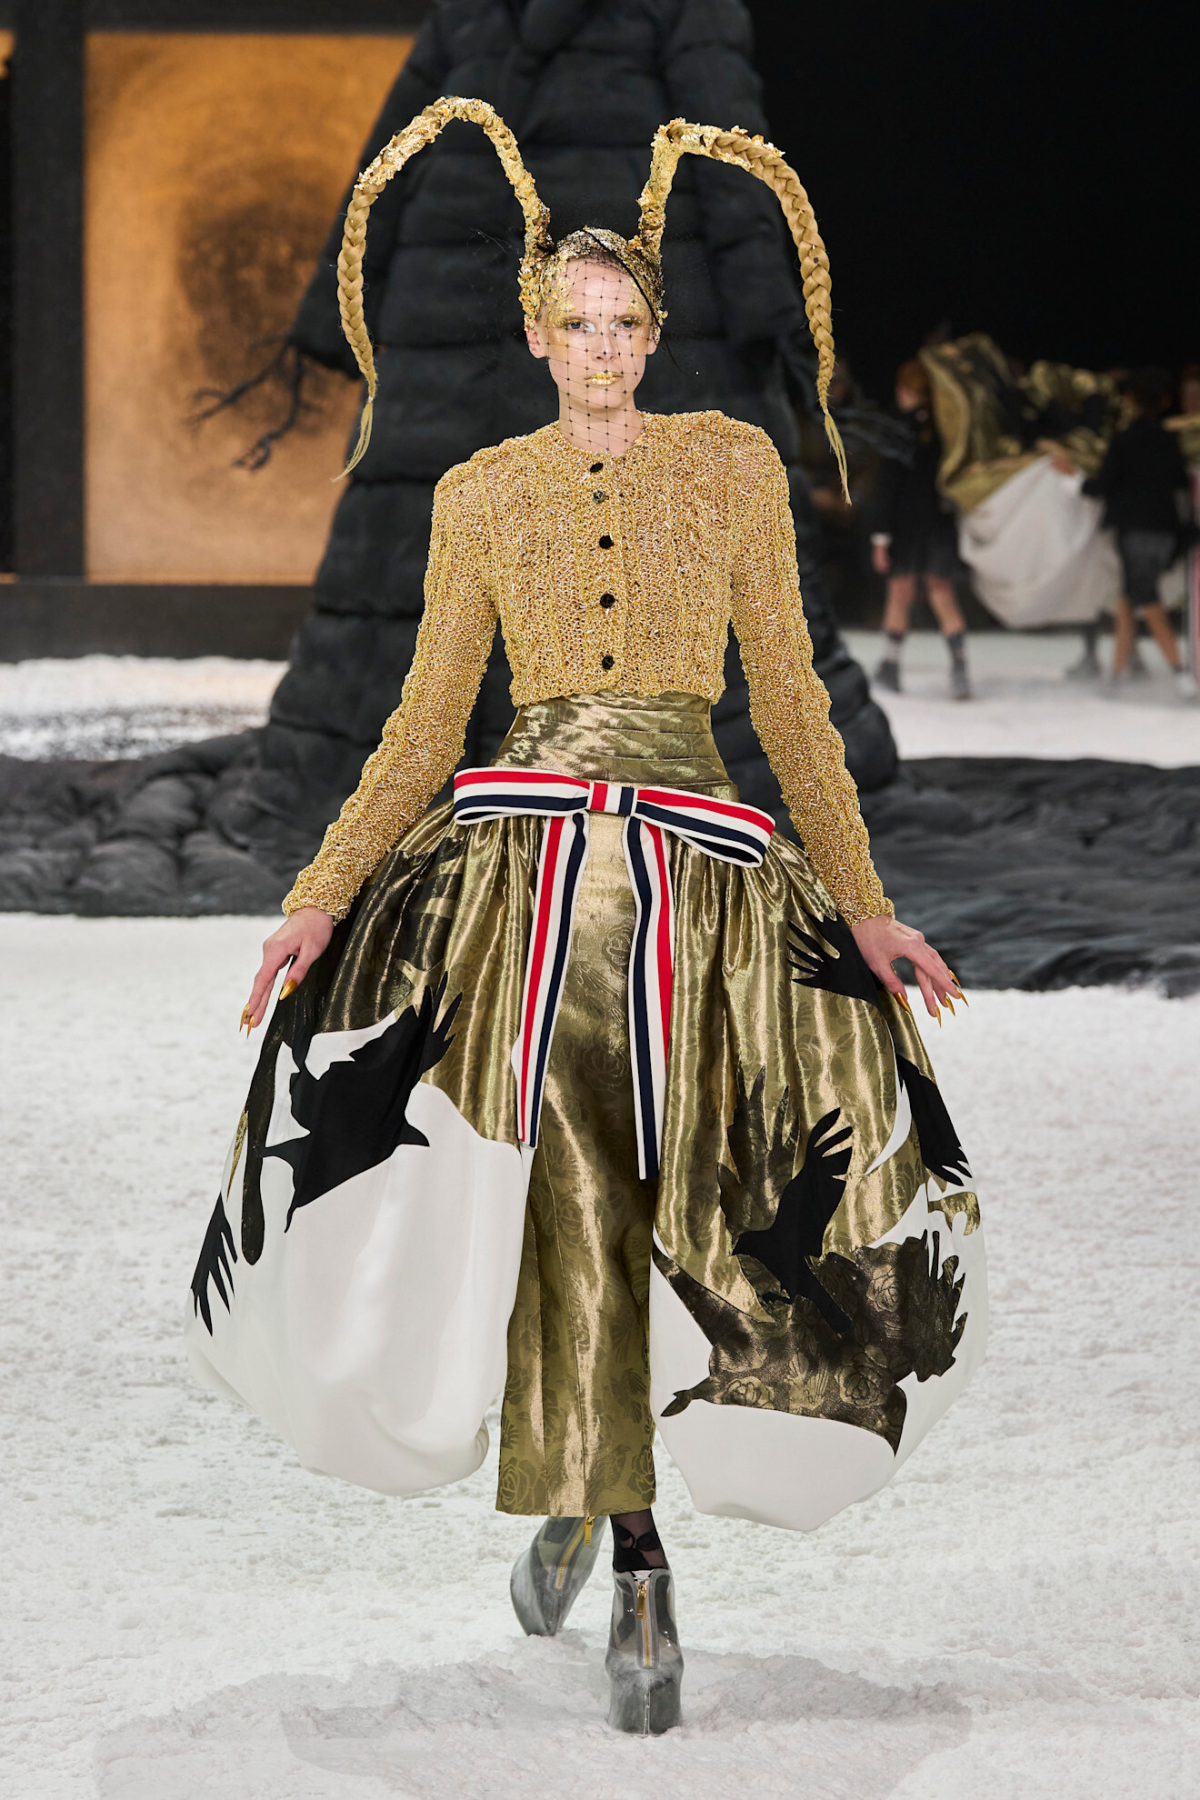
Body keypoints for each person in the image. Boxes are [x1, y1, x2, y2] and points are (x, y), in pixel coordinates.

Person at [185, 102, 986, 1738]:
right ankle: (635, 1560)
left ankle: (583, 1480)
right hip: (522, 900)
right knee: (565, 1202)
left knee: (718, 1204)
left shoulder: (733, 468)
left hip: (704, 889)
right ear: (538, 335)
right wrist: (322, 895)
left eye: (625, 323)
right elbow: (427, 722)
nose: (602, 348)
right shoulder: (482, 493)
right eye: (578, 323)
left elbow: (790, 700)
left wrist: (867, 909)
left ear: (653, 336)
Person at [1057, 367, 1195, 693]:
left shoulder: (1124, 441)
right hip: (1165, 531)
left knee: (1146, 599)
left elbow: (1101, 487)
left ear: (1131, 400)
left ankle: (1180, 674)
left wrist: (1070, 476)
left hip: (1134, 532)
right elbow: (1179, 484)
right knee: (1126, 603)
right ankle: (1118, 676)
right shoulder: (1169, 441)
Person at [870, 358, 972, 700]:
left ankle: (890, 666)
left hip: (905, 527)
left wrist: (880, 537)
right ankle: (959, 669)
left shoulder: (898, 429)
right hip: (940, 522)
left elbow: (887, 487)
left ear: (908, 390)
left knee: (900, 594)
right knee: (942, 593)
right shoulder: (946, 429)